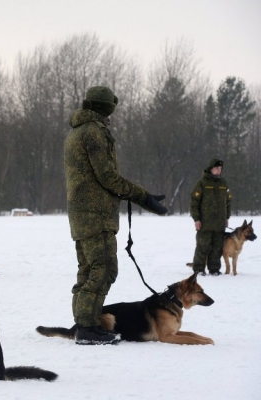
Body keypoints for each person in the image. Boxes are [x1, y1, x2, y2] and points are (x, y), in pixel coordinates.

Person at [64, 86, 168, 345]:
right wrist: (142, 196)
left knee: (88, 270)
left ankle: (84, 323)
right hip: (96, 215)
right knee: (104, 269)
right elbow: (107, 177)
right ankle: (88, 328)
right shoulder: (93, 132)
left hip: (82, 214)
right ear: (107, 108)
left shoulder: (78, 131)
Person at [190, 158, 231, 276]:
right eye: (217, 168)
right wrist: (196, 219)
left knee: (217, 248)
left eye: (220, 168)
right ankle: (198, 269)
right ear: (210, 169)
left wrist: (226, 217)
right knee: (203, 246)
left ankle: (214, 269)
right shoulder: (202, 183)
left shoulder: (223, 183)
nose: (219, 170)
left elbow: (228, 201)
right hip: (205, 223)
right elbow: (194, 202)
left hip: (219, 223)